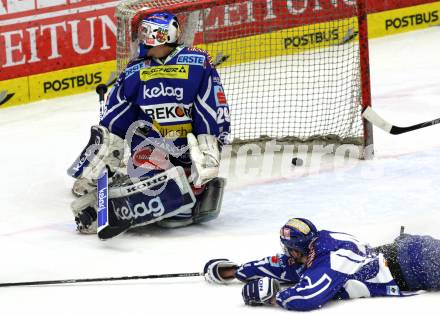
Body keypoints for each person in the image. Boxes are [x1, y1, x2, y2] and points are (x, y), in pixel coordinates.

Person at [67, 11, 230, 239]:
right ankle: (155, 199)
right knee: (157, 193)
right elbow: (116, 118)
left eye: (146, 32)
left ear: (162, 35)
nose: (141, 38)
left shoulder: (198, 62)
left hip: (186, 154)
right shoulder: (135, 70)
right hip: (150, 152)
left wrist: (209, 150)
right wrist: (103, 161)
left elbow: (210, 109)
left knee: (182, 204)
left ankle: (184, 197)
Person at [203, 218, 440, 311]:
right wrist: (237, 271)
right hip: (409, 251)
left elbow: (309, 297)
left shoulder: (329, 261)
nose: (286, 254)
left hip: (416, 266)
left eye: (288, 249)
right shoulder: (321, 241)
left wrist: (273, 298)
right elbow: (284, 265)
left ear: (296, 249)